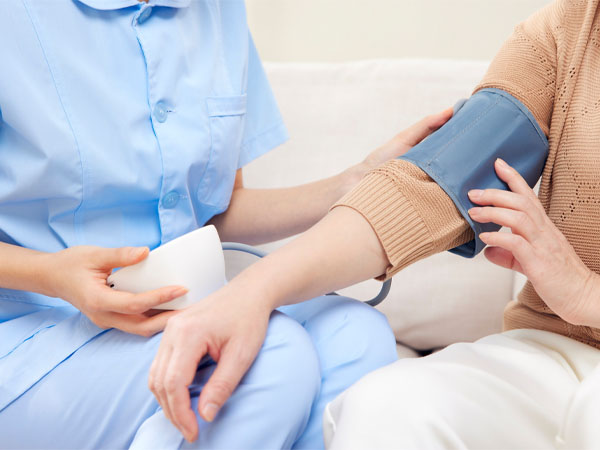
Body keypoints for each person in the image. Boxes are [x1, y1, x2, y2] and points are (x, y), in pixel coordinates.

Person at [142, 0, 600, 448]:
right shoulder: (564, 29)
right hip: (553, 354)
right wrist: (251, 293)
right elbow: (434, 185)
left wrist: (585, 294)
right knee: (385, 406)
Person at [0, 0, 453, 448]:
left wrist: (353, 182)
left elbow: (217, 209)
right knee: (270, 356)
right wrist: (53, 275)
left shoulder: (217, 9)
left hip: (181, 305)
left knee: (357, 336)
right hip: (33, 325)